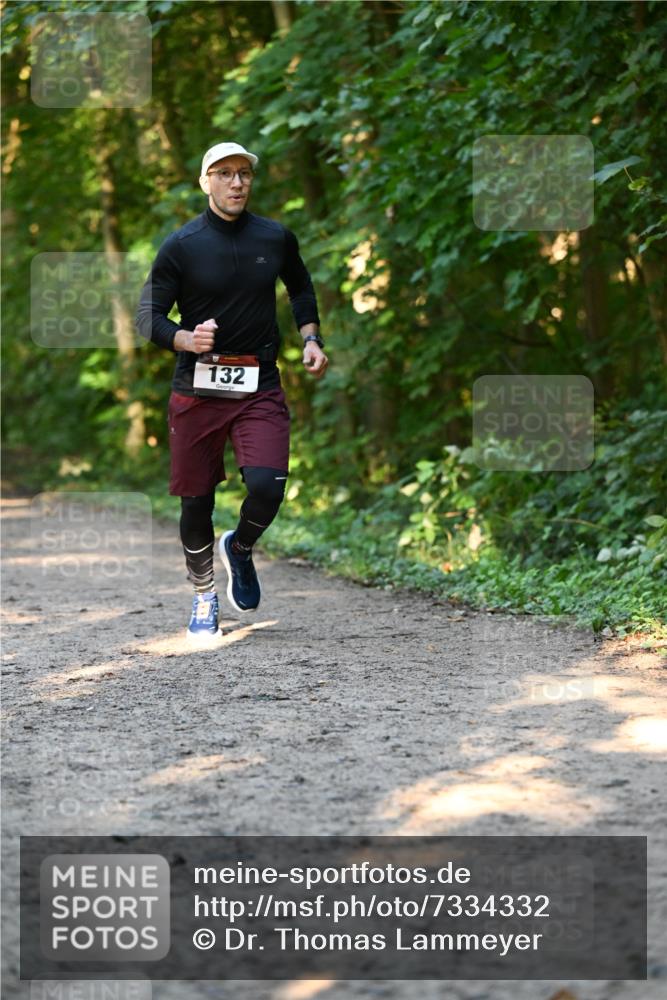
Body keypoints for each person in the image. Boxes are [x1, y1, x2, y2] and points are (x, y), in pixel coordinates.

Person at [136, 141, 327, 644]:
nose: (236, 182)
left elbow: (300, 287)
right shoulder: (182, 245)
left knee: (267, 486)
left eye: (243, 173)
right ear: (206, 182)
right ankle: (204, 595)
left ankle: (239, 548)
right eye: (224, 173)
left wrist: (311, 339)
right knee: (196, 501)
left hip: (259, 383)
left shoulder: (274, 236)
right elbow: (148, 316)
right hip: (197, 389)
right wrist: (186, 338)